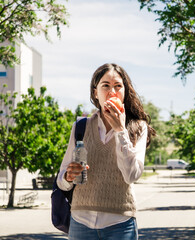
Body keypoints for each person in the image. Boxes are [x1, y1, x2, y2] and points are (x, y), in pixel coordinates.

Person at [57, 63, 155, 240]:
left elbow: (132, 175)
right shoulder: (81, 127)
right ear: (96, 92)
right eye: (106, 86)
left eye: (118, 86)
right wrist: (67, 176)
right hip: (81, 223)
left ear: (125, 92)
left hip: (120, 224)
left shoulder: (138, 127)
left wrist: (120, 131)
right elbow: (62, 182)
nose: (112, 92)